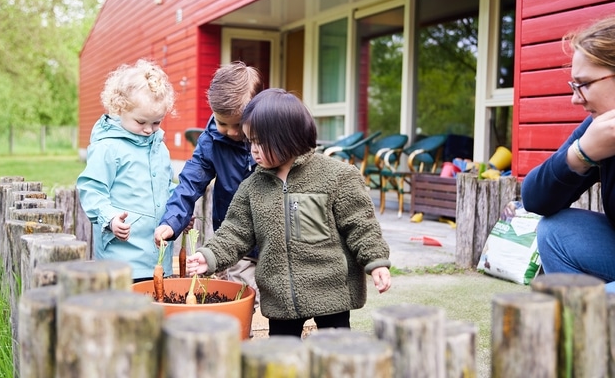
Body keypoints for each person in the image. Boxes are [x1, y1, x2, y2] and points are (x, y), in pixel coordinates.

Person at [185, 88, 392, 337]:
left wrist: (376, 261)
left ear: (289, 138)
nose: (254, 150)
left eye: (262, 142)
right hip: (280, 294)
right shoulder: (252, 187)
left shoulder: (337, 176)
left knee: (335, 354)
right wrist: (210, 256)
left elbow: (361, 224)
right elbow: (235, 231)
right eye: (251, 141)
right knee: (282, 357)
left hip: (330, 290)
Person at [154, 61, 263, 305]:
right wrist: (171, 221)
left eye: (239, 124)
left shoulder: (271, 137)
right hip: (235, 239)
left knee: (274, 299)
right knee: (241, 296)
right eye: (223, 123)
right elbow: (189, 184)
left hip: (272, 238)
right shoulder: (211, 142)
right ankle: (241, 336)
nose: (232, 132)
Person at [521, 15, 615, 293]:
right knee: (556, 231)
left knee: (590, 309)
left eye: (584, 84)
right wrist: (580, 154)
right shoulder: (599, 128)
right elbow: (534, 199)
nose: (575, 98)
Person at [77, 59, 177, 282]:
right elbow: (92, 189)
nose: (149, 130)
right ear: (120, 108)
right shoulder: (108, 147)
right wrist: (110, 218)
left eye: (157, 123)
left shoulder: (160, 148)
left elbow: (166, 187)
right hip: (121, 261)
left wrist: (177, 215)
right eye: (141, 121)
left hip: (158, 260)